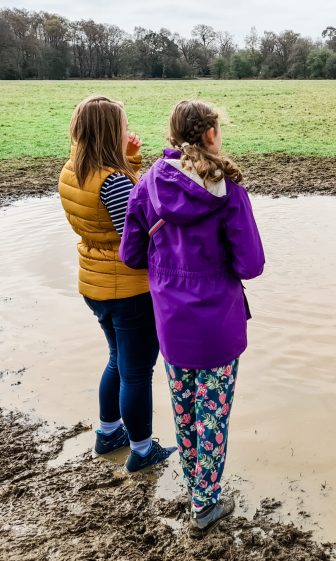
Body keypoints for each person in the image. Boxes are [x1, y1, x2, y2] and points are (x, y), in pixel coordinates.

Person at [120, 99, 265, 533]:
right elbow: (251, 265)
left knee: (184, 409)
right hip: (218, 323)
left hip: (171, 320)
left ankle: (194, 487)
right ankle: (205, 502)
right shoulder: (230, 192)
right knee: (213, 414)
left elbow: (131, 254)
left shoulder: (147, 184)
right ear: (210, 135)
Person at [58, 95, 176, 472]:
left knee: (117, 360)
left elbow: (105, 218)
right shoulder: (112, 180)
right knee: (137, 371)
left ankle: (109, 433)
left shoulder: (72, 170)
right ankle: (142, 451)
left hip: (93, 280)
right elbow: (137, 229)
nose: (129, 130)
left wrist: (132, 162)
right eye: (123, 125)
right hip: (128, 287)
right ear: (111, 132)